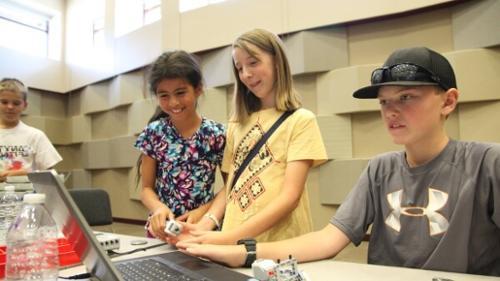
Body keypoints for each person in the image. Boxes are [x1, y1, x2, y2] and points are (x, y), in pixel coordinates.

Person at [176, 47, 500, 276]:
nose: (391, 111)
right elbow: (328, 240)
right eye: (385, 101)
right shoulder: (380, 169)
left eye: (406, 97)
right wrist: (242, 253)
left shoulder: (488, 163)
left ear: (449, 101)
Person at [172, 28, 328, 246]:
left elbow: (290, 197)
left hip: (279, 244)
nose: (245, 74)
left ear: (276, 61)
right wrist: (204, 226)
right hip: (234, 243)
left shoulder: (301, 121)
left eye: (253, 63)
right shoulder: (237, 124)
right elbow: (231, 187)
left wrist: (228, 237)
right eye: (239, 68)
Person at [134, 50, 226, 240]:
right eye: (164, 95)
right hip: (161, 230)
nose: (173, 102)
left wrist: (203, 211)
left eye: (181, 92)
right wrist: (158, 208)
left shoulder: (216, 134)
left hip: (201, 229)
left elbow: (230, 187)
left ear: (198, 89)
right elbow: (146, 189)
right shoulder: (154, 132)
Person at [0, 78, 62, 182]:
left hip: (30, 197)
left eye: (16, 103)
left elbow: (50, 176)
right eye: (4, 102)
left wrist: (24, 173)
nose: (10, 107)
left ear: (25, 105)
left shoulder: (36, 136)